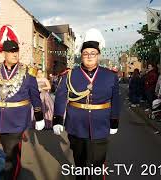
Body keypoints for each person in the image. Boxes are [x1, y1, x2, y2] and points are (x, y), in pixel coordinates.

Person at [0, 25, 45, 180]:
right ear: (4, 53)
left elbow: (35, 96)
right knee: (7, 148)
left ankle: (11, 175)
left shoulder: (27, 72)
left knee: (11, 153)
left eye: (16, 51)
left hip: (18, 118)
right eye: (11, 51)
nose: (15, 54)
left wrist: (39, 116)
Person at [53, 28, 120, 180]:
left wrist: (114, 121)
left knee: (97, 166)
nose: (89, 56)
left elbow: (115, 100)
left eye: (93, 53)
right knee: (80, 165)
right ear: (81, 55)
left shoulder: (110, 76)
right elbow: (60, 96)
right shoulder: (70, 75)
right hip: (76, 127)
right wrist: (57, 119)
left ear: (98, 55)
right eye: (85, 53)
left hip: (101, 125)